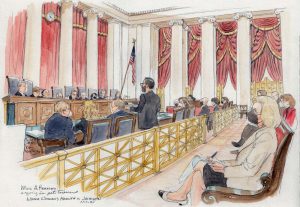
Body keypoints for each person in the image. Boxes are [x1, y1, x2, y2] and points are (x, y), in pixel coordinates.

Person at [158, 96, 280, 206]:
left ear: (266, 114)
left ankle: (180, 194)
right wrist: (222, 163)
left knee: (200, 165)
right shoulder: (265, 132)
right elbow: (244, 161)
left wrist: (223, 168)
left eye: (256, 112)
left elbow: (248, 169)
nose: (252, 114)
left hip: (247, 181)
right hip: (243, 175)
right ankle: (182, 196)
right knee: (198, 171)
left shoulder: (266, 136)